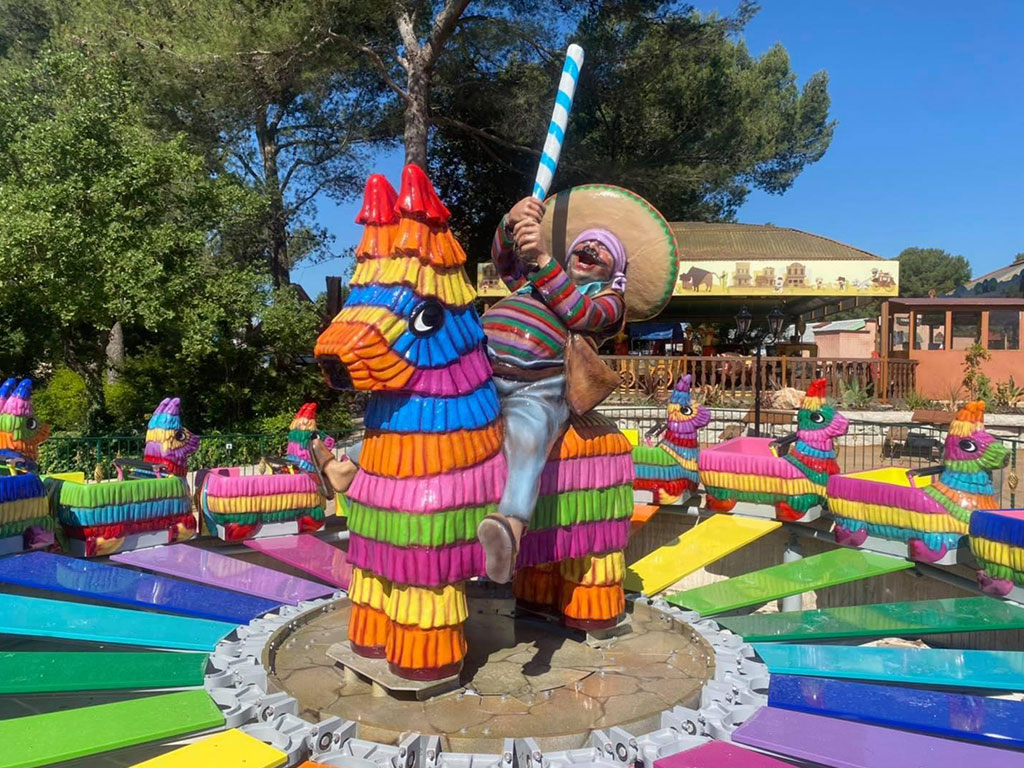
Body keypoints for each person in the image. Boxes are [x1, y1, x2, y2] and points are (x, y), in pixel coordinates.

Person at [474, 196, 627, 583]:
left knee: (528, 436)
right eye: (585, 243)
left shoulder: (607, 301)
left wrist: (543, 259)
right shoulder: (533, 282)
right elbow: (503, 261)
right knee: (431, 410)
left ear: (614, 271)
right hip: (480, 373)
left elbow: (580, 314)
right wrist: (511, 221)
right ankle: (351, 465)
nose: (590, 247)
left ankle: (511, 528)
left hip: (537, 387)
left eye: (603, 249)